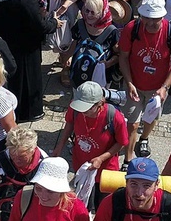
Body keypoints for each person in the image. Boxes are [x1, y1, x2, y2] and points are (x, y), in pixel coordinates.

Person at [0, 0, 59, 123]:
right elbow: (40, 24)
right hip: (28, 44)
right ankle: (30, 112)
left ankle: (13, 109)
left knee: (12, 76)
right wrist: (54, 23)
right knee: (30, 78)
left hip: (6, 40)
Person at [118, 0, 171, 163]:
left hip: (157, 88)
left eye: (153, 19)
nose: (149, 23)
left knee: (151, 117)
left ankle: (144, 138)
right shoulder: (132, 29)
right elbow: (123, 57)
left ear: (162, 16)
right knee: (132, 123)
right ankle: (128, 159)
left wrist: (164, 87)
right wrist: (129, 82)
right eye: (145, 18)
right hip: (134, 84)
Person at [52, 81, 129, 210]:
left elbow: (121, 142)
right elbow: (69, 124)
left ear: (100, 103)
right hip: (82, 164)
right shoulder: (75, 109)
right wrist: (60, 146)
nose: (82, 112)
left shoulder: (114, 117)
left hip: (106, 170)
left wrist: (101, 158)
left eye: (86, 109)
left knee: (104, 205)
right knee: (83, 201)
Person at [64, 0, 121, 88]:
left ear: (101, 13)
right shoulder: (80, 24)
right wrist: (69, 57)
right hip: (79, 73)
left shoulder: (112, 31)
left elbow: (118, 54)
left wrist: (108, 63)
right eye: (87, 10)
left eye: (93, 12)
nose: (89, 15)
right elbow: (75, 42)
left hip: (101, 77)